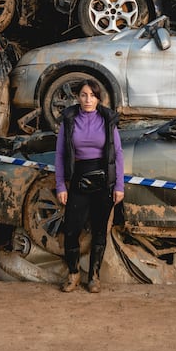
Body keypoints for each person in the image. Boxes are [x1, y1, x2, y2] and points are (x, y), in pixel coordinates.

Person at [55, 78, 124, 293]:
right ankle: (74, 274)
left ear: (98, 99)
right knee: (72, 229)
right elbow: (60, 154)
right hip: (78, 178)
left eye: (92, 96)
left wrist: (119, 185)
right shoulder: (69, 119)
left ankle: (94, 277)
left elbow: (118, 154)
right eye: (84, 95)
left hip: (104, 182)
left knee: (99, 230)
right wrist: (60, 185)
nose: (87, 100)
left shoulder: (107, 119)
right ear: (77, 97)